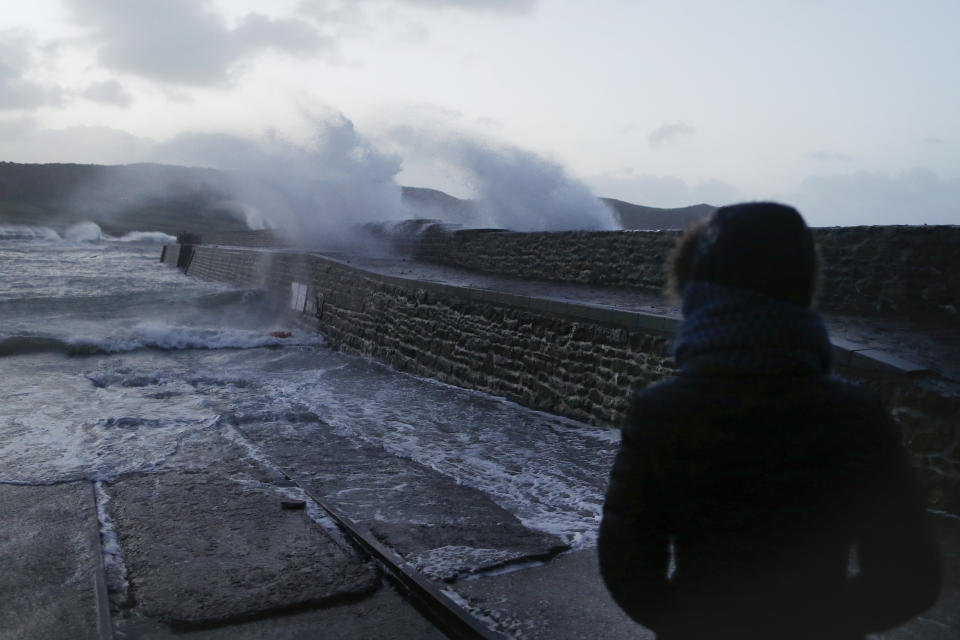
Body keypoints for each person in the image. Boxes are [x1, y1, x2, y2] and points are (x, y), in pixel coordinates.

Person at [598, 202, 941, 639]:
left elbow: (627, 569)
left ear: (700, 290)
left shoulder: (661, 411)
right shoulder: (856, 415)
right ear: (803, 288)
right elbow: (910, 577)